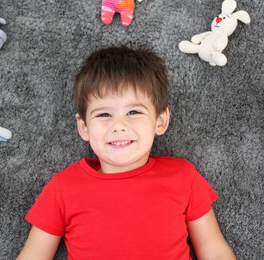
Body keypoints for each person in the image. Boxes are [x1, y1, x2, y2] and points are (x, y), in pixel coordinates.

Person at [17, 46, 235, 259]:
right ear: (83, 127)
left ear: (160, 120)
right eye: (104, 115)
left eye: (133, 111)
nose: (118, 126)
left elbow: (214, 250)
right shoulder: (63, 188)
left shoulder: (182, 175)